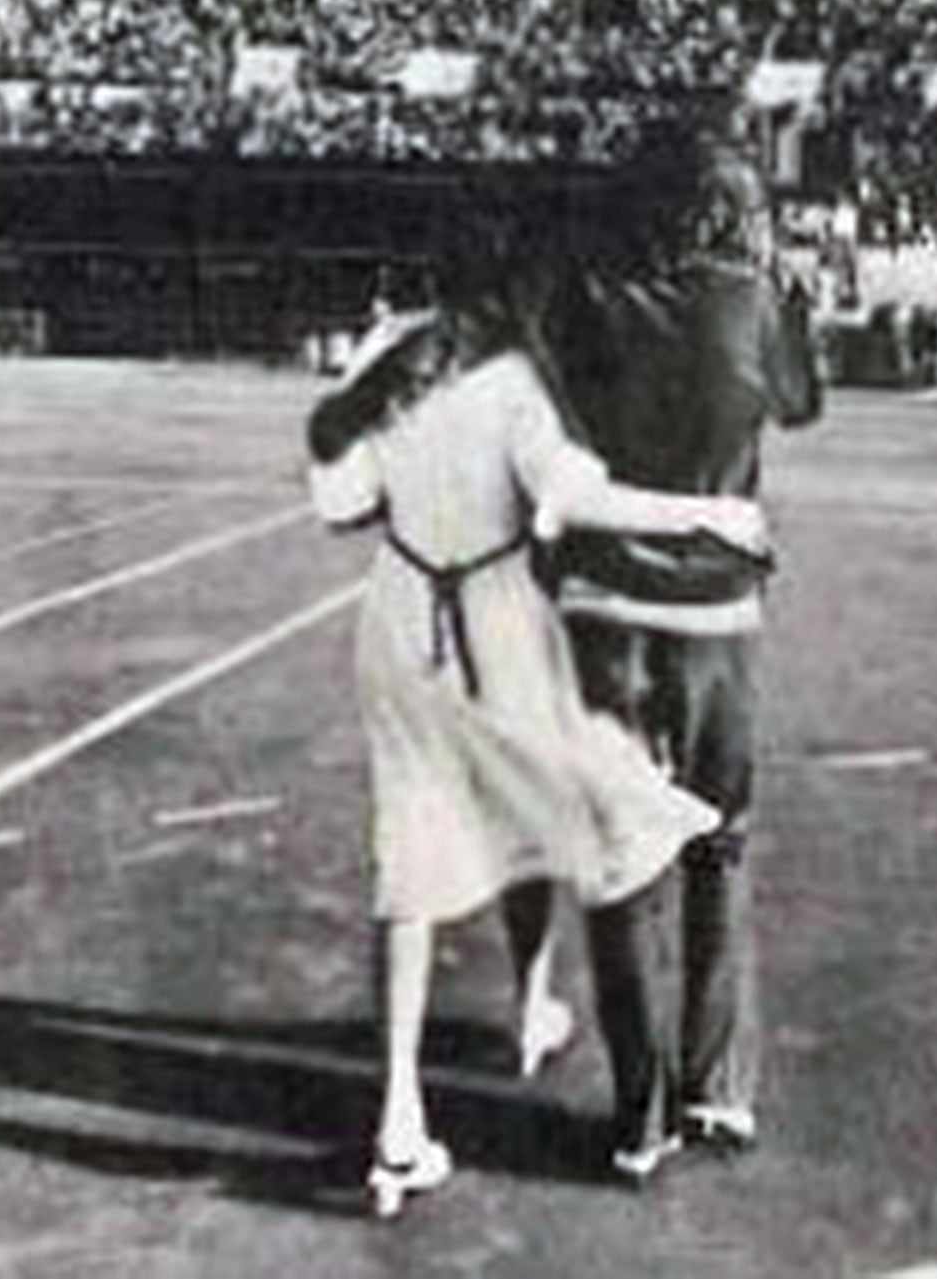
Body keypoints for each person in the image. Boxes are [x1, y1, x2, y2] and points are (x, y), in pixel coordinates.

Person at [305, 276, 769, 1219]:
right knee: (596, 812)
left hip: (398, 619)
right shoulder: (511, 380)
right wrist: (710, 515)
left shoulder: (383, 355)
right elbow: (582, 497)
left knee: (411, 862)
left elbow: (336, 498)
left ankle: (406, 1107)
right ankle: (555, 1021)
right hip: (494, 617)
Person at [547, 139, 822, 1178]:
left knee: (622, 862)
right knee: (720, 842)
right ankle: (720, 1089)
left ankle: (642, 1113)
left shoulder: (588, 296)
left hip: (604, 607)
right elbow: (798, 401)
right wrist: (786, 296)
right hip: (713, 609)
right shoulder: (746, 300)